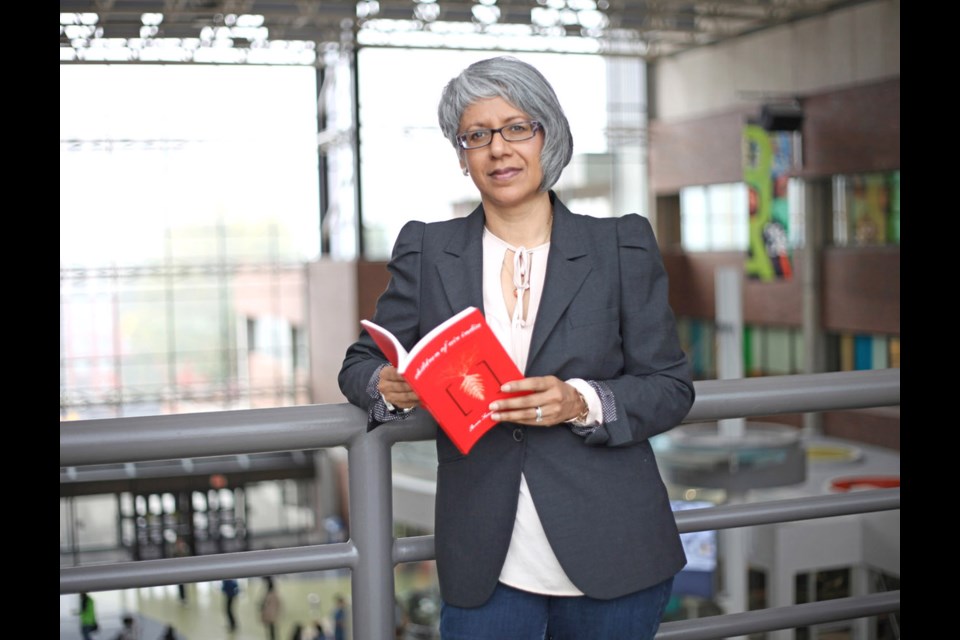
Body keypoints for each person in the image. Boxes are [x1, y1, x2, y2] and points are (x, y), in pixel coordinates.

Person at [338, 55, 695, 639]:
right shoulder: (427, 249)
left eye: (516, 128)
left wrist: (580, 402)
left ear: (546, 136)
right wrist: (387, 386)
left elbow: (671, 387)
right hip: (486, 561)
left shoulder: (620, 245)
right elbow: (360, 363)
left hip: (615, 551)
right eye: (477, 135)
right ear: (462, 157)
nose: (498, 148)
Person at [259, 576, 282, 640]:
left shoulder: (269, 595)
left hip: (269, 614)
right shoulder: (274, 594)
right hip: (272, 614)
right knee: (271, 628)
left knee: (271, 629)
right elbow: (278, 604)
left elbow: (264, 604)